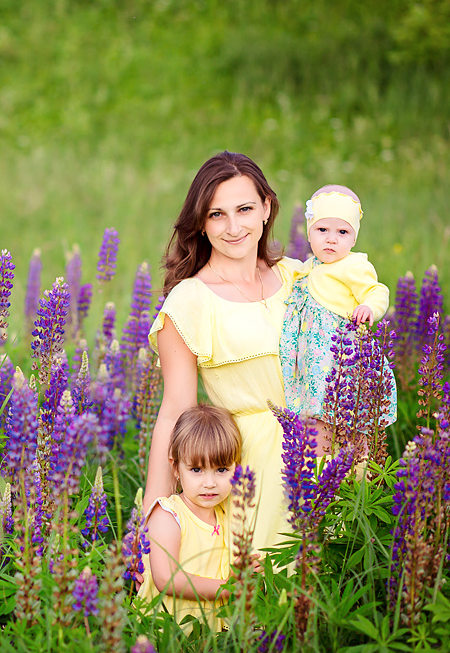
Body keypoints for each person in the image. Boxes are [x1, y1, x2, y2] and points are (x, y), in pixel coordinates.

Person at [146, 151, 301, 554]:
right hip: (249, 468)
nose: (233, 227)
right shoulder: (189, 301)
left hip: (324, 452)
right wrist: (156, 518)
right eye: (216, 215)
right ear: (200, 223)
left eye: (245, 209)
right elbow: (175, 412)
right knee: (266, 599)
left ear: (266, 208)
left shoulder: (298, 277)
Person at [278, 184, 397, 455]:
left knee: (351, 416)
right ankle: (322, 470)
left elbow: (377, 291)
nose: (331, 239)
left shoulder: (354, 266)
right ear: (309, 233)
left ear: (354, 239)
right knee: (317, 417)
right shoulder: (309, 266)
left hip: (342, 356)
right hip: (313, 360)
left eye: (342, 232)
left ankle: (357, 474)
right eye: (322, 230)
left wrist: (369, 307)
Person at [138, 405, 259, 632]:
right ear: (176, 467)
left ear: (237, 468)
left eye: (222, 469)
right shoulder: (168, 515)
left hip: (209, 633)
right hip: (168, 632)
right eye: (196, 470)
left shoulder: (227, 515)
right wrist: (228, 588)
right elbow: (166, 579)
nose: (210, 483)